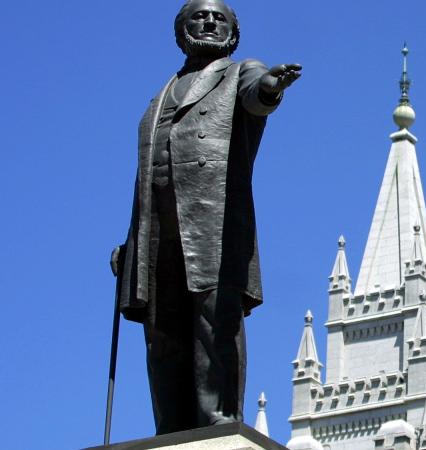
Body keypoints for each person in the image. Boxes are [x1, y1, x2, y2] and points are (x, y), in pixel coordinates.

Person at [111, 0, 301, 434]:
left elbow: (258, 95)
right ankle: (172, 428)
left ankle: (218, 421)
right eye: (199, 16)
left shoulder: (240, 73)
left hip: (212, 224)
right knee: (163, 332)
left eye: (220, 18)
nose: (210, 22)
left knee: (215, 322)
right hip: (158, 230)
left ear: (232, 33)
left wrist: (271, 86)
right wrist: (131, 243)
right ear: (181, 30)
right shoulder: (159, 97)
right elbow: (146, 179)